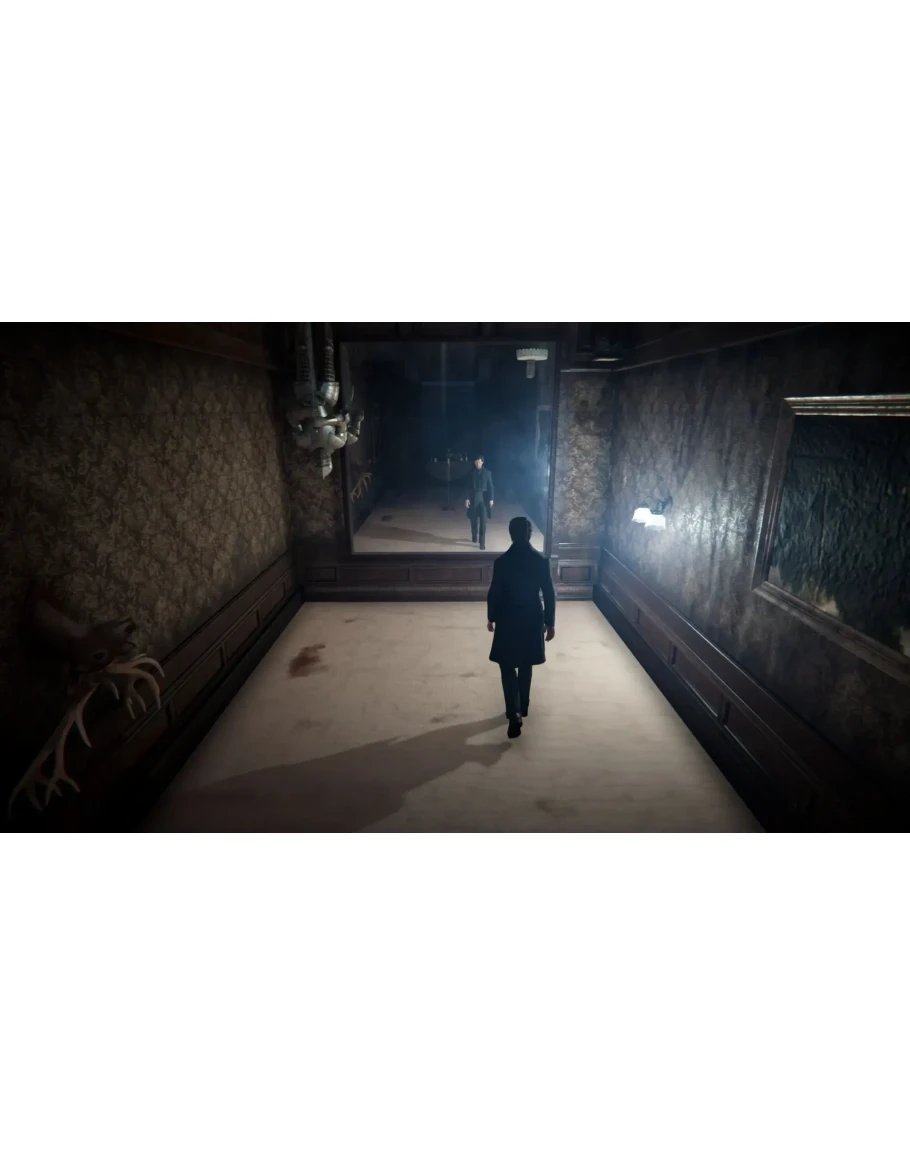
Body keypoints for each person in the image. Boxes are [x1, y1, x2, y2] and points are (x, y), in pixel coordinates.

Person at [486, 516, 556, 739]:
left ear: (511, 534)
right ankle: (523, 706)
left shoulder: (502, 562)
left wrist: (491, 617)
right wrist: (550, 622)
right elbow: (549, 593)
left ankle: (513, 712)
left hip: (507, 617)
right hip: (533, 616)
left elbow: (495, 592)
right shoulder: (541, 561)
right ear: (529, 534)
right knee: (526, 662)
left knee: (507, 666)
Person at [465, 455, 494, 550]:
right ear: (474, 463)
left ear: (482, 462)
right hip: (473, 497)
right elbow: (468, 487)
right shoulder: (471, 473)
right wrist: (467, 498)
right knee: (473, 519)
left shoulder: (487, 472)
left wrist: (491, 499)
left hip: (483, 499)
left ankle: (482, 542)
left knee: (483, 521)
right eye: (476, 462)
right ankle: (474, 534)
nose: (477, 463)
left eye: (479, 462)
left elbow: (491, 486)